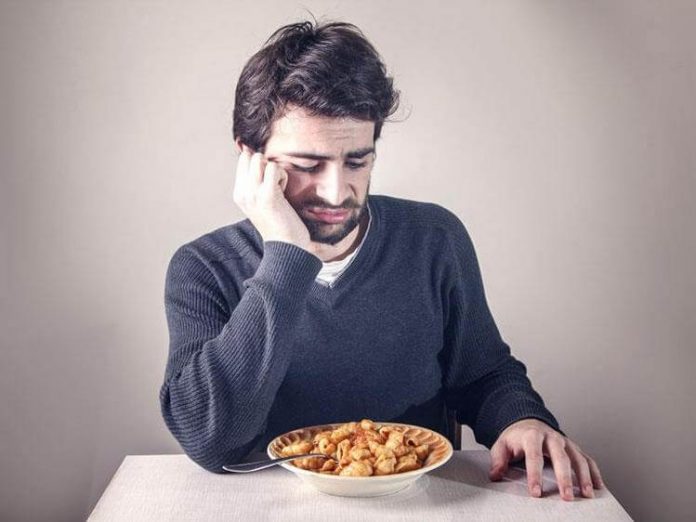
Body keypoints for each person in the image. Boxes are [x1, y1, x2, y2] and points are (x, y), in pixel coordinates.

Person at [160, 20, 604, 501]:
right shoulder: (203, 267)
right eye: (306, 165)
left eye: (357, 161)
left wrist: (521, 419)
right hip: (267, 507)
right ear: (250, 157)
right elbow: (208, 439)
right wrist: (286, 255)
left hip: (418, 502)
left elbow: (483, 374)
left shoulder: (434, 239)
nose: (336, 192)